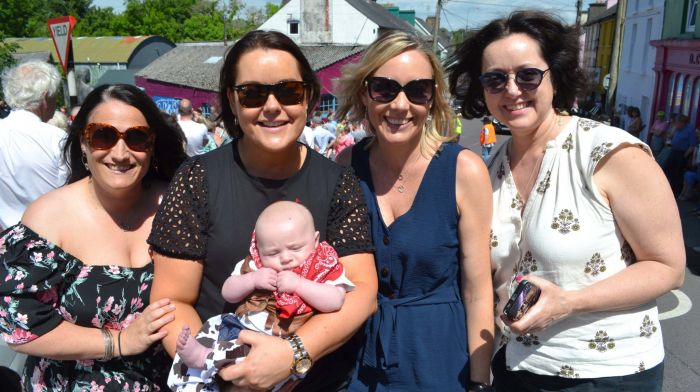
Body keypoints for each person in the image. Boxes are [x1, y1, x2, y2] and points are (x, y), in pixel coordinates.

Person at [448, 10, 685, 391]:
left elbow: (668, 267)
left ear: (555, 77)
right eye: (495, 79)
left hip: (607, 375)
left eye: (528, 75)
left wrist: (570, 302)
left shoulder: (609, 152)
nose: (512, 90)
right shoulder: (490, 169)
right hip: (518, 370)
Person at [147, 30, 377, 391]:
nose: (272, 106)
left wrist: (292, 355)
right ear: (232, 102)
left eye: (288, 91)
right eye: (252, 93)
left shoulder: (339, 182)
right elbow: (171, 299)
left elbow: (361, 291)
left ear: (309, 98)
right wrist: (229, 375)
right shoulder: (196, 179)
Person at [334, 30, 494, 391]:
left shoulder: (463, 170)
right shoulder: (346, 164)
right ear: (365, 93)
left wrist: (480, 381)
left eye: (417, 90)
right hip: (360, 360)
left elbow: (478, 289)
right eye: (384, 89)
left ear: (433, 98)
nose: (400, 105)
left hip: (439, 360)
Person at [0, 84, 188, 390]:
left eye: (137, 137)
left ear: (152, 145)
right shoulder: (48, 216)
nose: (121, 153)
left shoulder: (177, 204)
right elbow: (19, 325)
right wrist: (120, 341)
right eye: (104, 135)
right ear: (83, 144)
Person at [169, 201, 354, 391]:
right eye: (273, 252)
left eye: (296, 248)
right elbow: (228, 292)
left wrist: (299, 284)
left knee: (250, 362)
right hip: (240, 329)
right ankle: (202, 367)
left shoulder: (323, 266)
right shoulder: (255, 265)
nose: (285, 258)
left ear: (315, 241)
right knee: (215, 329)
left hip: (282, 347)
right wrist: (252, 280)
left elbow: (335, 300)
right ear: (258, 249)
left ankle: (205, 358)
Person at [0, 60, 68, 230]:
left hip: (8, 240)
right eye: (55, 96)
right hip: (52, 236)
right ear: (45, 98)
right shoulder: (56, 138)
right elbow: (72, 190)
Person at [663, 114, 697, 196]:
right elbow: (671, 137)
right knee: (667, 169)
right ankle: (668, 188)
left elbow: (692, 145)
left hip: (681, 154)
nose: (675, 124)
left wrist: (684, 156)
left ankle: (676, 192)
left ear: (682, 122)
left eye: (677, 122)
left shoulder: (689, 130)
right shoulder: (677, 128)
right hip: (673, 151)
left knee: (678, 174)